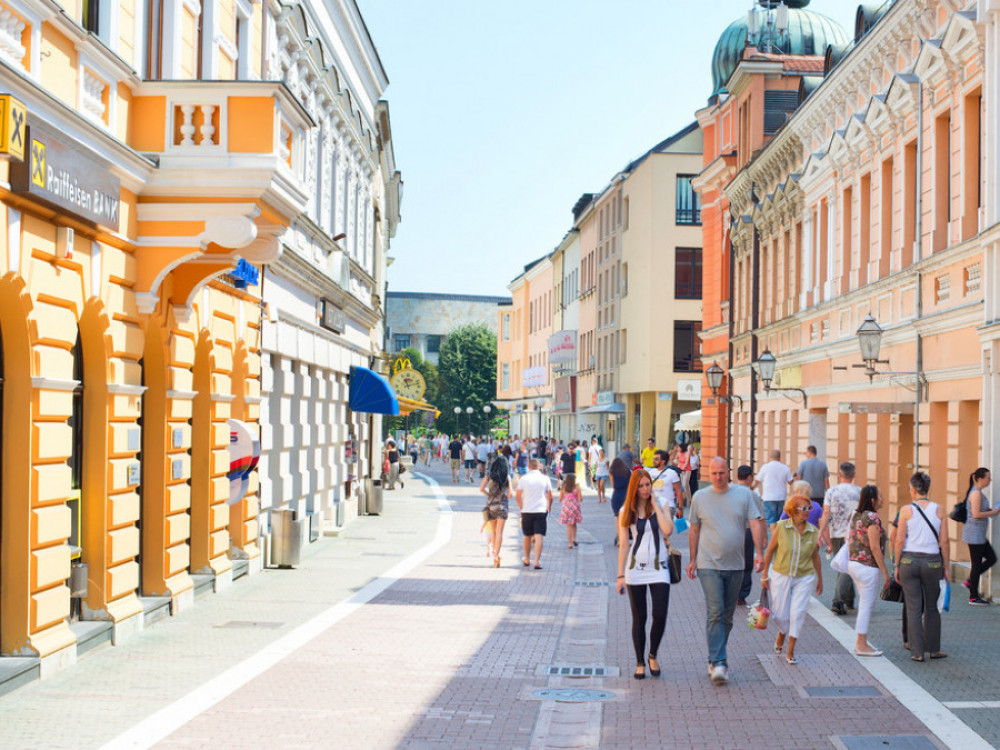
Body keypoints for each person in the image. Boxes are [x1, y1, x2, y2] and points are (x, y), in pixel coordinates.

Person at [687, 457, 766, 685]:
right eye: (714, 474)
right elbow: (694, 529)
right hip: (708, 565)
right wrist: (692, 560)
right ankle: (719, 661)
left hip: (736, 565)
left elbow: (755, 523)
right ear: (708, 475)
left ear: (728, 473)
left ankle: (715, 655)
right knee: (715, 612)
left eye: (722, 473)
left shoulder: (744, 495)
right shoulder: (700, 497)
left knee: (728, 617)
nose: (718, 477)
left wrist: (759, 554)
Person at [617, 468, 674, 679]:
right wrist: (620, 575)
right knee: (639, 617)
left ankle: (653, 654)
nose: (645, 489)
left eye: (647, 484)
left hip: (660, 569)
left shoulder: (662, 504)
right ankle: (640, 662)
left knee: (660, 614)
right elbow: (624, 544)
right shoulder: (626, 511)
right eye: (640, 486)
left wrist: (656, 505)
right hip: (635, 570)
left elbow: (668, 530)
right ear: (634, 488)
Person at [760, 491, 822, 665]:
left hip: (805, 577)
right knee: (780, 615)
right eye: (804, 508)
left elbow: (815, 556)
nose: (808, 511)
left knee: (798, 613)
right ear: (793, 510)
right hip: (781, 574)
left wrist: (820, 579)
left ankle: (791, 649)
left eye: (809, 508)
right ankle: (781, 633)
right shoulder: (781, 527)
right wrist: (765, 575)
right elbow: (770, 551)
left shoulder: (813, 531)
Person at [894, 471, 950, 661]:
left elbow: (900, 540)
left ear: (912, 490)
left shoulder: (905, 511)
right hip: (933, 562)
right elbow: (945, 541)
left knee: (913, 608)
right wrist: (947, 567)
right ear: (928, 489)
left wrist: (896, 564)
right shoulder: (940, 510)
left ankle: (917, 652)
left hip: (909, 562)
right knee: (932, 607)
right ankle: (934, 649)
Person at [846, 484, 891, 656]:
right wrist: (885, 572)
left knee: (865, 605)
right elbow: (874, 546)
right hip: (867, 567)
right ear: (873, 500)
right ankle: (861, 644)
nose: (883, 498)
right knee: (867, 606)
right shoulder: (872, 517)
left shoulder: (855, 515)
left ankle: (861, 642)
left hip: (854, 564)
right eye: (880, 495)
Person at [818, 462, 861, 615]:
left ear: (839, 474)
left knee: (843, 566)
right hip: (855, 535)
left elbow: (826, 514)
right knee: (847, 567)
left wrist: (821, 532)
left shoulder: (831, 492)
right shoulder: (859, 492)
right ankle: (839, 600)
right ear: (853, 475)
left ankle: (848, 600)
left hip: (836, 534)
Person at [962, 467, 998, 606]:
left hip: (978, 534)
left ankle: (969, 583)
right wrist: (993, 512)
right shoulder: (976, 493)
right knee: (977, 564)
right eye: (988, 477)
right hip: (974, 534)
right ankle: (973, 596)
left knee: (991, 558)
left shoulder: (978, 492)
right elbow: (976, 514)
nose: (990, 480)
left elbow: (977, 511)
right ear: (981, 478)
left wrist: (990, 511)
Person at [735, 465, 765, 606]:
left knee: (731, 562)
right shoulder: (753, 495)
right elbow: (761, 518)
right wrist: (763, 538)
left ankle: (730, 592)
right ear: (749, 478)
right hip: (748, 532)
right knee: (746, 564)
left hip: (731, 531)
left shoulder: (729, 492)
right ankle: (741, 595)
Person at [516, 458, 553, 569]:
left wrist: (521, 507)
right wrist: (549, 506)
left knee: (527, 536)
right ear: (539, 466)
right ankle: (536, 561)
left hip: (527, 510)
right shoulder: (545, 478)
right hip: (541, 510)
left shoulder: (523, 479)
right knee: (539, 536)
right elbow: (550, 496)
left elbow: (518, 495)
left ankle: (527, 559)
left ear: (529, 466)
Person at [480, 457, 512, 568]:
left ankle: (494, 551)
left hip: (491, 507)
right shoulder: (507, 477)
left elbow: (481, 489)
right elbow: (510, 494)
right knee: (499, 532)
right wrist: (504, 494)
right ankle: (496, 555)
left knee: (493, 531)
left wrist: (489, 495)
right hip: (502, 506)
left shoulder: (489, 475)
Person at [754, 449, 793, 529]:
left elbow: (757, 481)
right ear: (780, 457)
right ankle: (778, 537)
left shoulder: (765, 467)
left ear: (770, 456)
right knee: (779, 519)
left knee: (772, 519)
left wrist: (751, 488)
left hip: (769, 497)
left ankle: (775, 538)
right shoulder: (785, 468)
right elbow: (791, 482)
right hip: (781, 497)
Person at [649, 449, 683, 519]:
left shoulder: (672, 473)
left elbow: (679, 491)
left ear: (663, 461)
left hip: (668, 507)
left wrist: (680, 508)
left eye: (656, 459)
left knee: (666, 529)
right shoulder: (650, 473)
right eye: (653, 458)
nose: (653, 461)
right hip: (653, 507)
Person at [559, 473, 583, 549]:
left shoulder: (564, 488)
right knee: (574, 524)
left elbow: (560, 499)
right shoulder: (577, 488)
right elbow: (580, 499)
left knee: (568, 526)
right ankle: (574, 539)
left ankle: (569, 543)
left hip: (566, 508)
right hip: (575, 507)